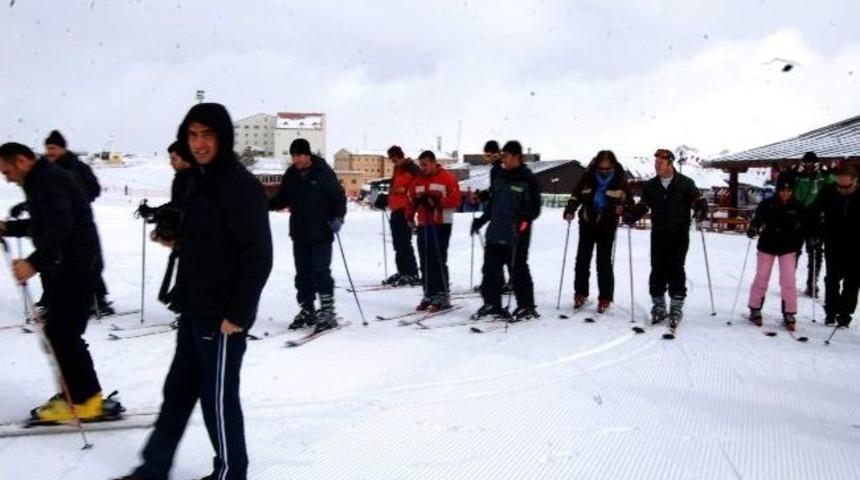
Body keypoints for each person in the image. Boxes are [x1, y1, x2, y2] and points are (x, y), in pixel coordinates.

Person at [118, 103, 273, 480]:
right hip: (193, 306)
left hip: (222, 315)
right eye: (193, 135)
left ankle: (231, 474)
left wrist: (237, 314)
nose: (199, 143)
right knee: (177, 394)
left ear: (223, 137)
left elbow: (259, 256)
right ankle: (152, 469)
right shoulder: (196, 181)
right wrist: (176, 239)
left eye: (207, 135)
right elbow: (207, 240)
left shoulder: (240, 186)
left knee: (216, 400)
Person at [0, 142, 114, 423]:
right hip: (70, 266)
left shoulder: (48, 181)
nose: (6, 178)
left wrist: (33, 264)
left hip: (78, 265)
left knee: (63, 333)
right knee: (60, 332)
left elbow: (60, 228)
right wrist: (8, 228)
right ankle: (79, 394)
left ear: (22, 161)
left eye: (6, 171)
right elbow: (43, 225)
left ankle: (85, 400)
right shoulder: (40, 179)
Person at [623, 148, 708, 326]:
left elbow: (697, 200)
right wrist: (632, 215)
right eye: (655, 163)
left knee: (676, 268)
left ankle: (676, 306)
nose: (657, 166)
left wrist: (701, 209)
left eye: (660, 163)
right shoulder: (651, 185)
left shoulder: (685, 183)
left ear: (670, 163)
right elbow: (645, 205)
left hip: (679, 233)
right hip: (659, 234)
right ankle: (659, 305)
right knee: (658, 268)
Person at [269, 138, 346, 332]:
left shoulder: (324, 173)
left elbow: (338, 197)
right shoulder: (291, 175)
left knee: (321, 272)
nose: (296, 159)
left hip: (321, 232)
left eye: (299, 155)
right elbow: (281, 199)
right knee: (302, 275)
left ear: (308, 154)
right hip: (300, 233)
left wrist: (338, 217)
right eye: (293, 156)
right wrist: (262, 204)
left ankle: (327, 311)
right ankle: (307, 309)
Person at [41, 130, 116, 316]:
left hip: (78, 224)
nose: (49, 152)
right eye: (47, 148)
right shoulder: (49, 170)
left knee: (85, 262)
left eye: (53, 148)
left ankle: (97, 300)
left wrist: (78, 201)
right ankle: (56, 300)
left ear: (63, 148)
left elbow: (94, 189)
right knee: (59, 262)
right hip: (58, 222)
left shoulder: (76, 167)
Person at [471, 140, 542, 321]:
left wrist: (524, 219)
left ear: (517, 156)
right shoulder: (500, 176)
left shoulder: (528, 179)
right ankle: (492, 303)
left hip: (516, 232)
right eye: (502, 156)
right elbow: (493, 203)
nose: (504, 160)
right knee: (490, 269)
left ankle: (526, 305)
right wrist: (481, 221)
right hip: (496, 230)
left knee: (518, 268)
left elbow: (534, 208)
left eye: (507, 156)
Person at [563, 150, 632, 313]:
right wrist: (570, 210)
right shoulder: (587, 177)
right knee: (582, 260)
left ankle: (605, 297)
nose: (604, 172)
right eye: (601, 168)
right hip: (587, 222)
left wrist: (623, 209)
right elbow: (575, 195)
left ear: (613, 166)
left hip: (607, 224)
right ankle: (580, 293)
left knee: (604, 263)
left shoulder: (620, 180)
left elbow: (628, 202)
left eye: (607, 169)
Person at [136, 141, 193, 312]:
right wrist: (154, 211)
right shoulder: (181, 178)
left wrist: (161, 213)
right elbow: (175, 204)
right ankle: (182, 307)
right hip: (185, 234)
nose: (171, 163)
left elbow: (186, 206)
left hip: (198, 236)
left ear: (185, 158)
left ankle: (187, 309)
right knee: (186, 270)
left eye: (174, 159)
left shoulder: (194, 178)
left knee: (193, 272)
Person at [745, 174, 806, 331]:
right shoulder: (768, 204)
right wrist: (753, 227)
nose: (785, 193)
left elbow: (805, 227)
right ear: (778, 190)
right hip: (768, 244)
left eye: (789, 190)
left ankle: (789, 312)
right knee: (762, 277)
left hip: (788, 246)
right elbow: (758, 218)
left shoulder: (798, 207)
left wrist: (810, 238)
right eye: (783, 190)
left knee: (788, 280)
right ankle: (755, 307)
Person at [406, 150, 461, 311]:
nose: (422, 168)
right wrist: (409, 217)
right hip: (424, 223)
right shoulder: (418, 180)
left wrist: (437, 201)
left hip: (441, 223)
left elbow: (456, 199)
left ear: (433, 162)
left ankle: (442, 294)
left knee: (437, 259)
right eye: (420, 165)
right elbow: (411, 199)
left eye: (425, 165)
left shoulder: (446, 178)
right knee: (424, 259)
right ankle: (428, 293)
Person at [809, 165, 860, 327]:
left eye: (846, 186)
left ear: (856, 181)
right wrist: (814, 232)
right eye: (839, 185)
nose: (842, 190)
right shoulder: (829, 191)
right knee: (832, 279)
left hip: (856, 245)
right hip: (833, 241)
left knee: (852, 282)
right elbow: (813, 212)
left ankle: (845, 315)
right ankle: (831, 312)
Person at [376, 145, 421, 286]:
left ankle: (412, 273)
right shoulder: (398, 169)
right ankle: (403, 271)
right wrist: (385, 198)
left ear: (400, 155)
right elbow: (394, 189)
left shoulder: (412, 168)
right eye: (391, 159)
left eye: (395, 158)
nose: (393, 161)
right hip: (395, 209)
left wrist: (406, 190)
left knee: (404, 242)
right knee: (398, 244)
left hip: (406, 209)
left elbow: (419, 186)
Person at [791, 152, 832, 297]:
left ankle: (812, 283)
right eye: (805, 164)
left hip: (816, 220)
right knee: (793, 251)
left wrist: (829, 170)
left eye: (811, 165)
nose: (808, 167)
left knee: (815, 252)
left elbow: (834, 182)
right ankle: (789, 281)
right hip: (798, 218)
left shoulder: (823, 177)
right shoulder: (797, 177)